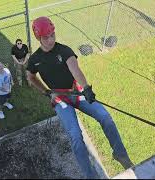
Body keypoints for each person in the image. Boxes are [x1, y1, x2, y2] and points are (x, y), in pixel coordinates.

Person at [26, 16, 133, 178]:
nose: (50, 40)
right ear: (38, 38)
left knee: (105, 117)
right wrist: (46, 92)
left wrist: (87, 88)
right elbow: (30, 77)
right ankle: (90, 176)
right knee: (76, 137)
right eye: (45, 37)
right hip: (60, 99)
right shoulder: (35, 60)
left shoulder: (64, 50)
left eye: (52, 35)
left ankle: (120, 154)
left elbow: (75, 69)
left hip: (77, 92)